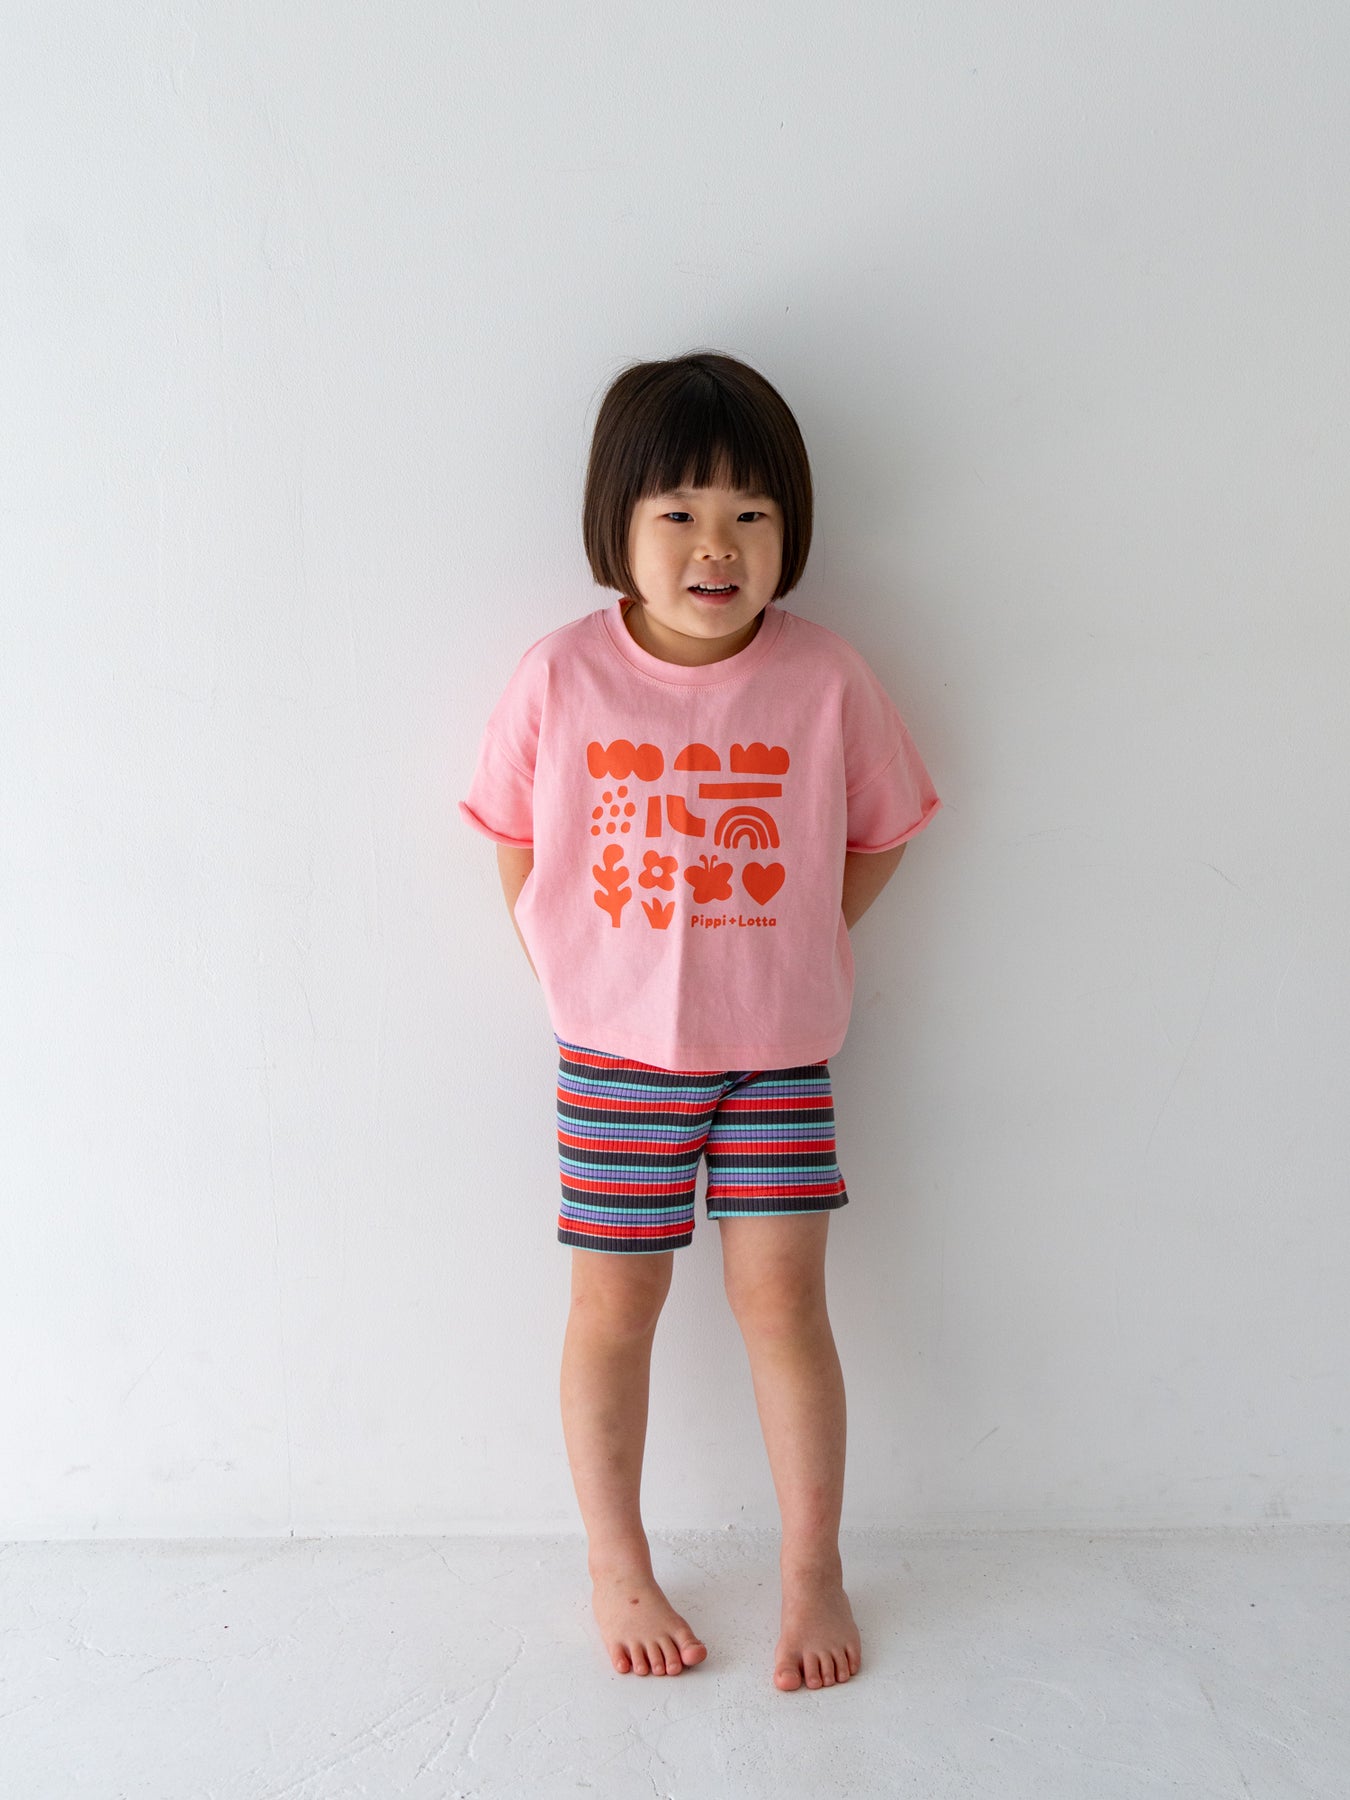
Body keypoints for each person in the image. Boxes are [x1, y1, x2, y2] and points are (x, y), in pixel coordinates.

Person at [459, 350, 942, 1691]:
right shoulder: (562, 676)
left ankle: (812, 1568)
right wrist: (571, 964)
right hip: (615, 1059)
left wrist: (802, 940)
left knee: (784, 1306)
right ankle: (616, 1562)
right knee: (614, 1305)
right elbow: (512, 834)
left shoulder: (824, 677)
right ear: (615, 527)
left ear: (790, 530)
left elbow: (885, 828)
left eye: (749, 515)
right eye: (677, 513)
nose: (715, 546)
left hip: (777, 1055)